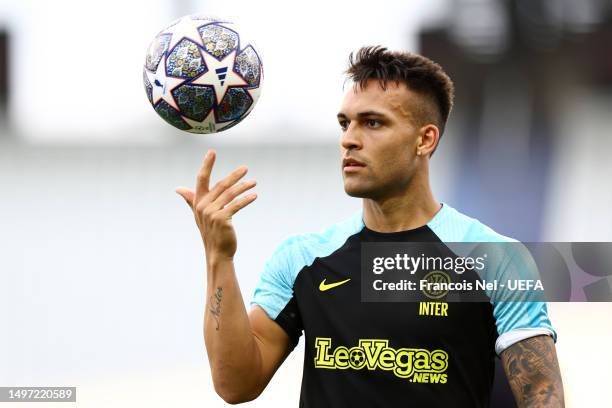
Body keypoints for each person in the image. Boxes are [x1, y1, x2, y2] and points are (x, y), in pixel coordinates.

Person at [176, 46, 565, 407]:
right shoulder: (303, 258)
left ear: (425, 140)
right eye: (345, 124)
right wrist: (218, 256)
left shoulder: (497, 259)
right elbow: (235, 384)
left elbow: (541, 396)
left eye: (372, 123)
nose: (349, 140)